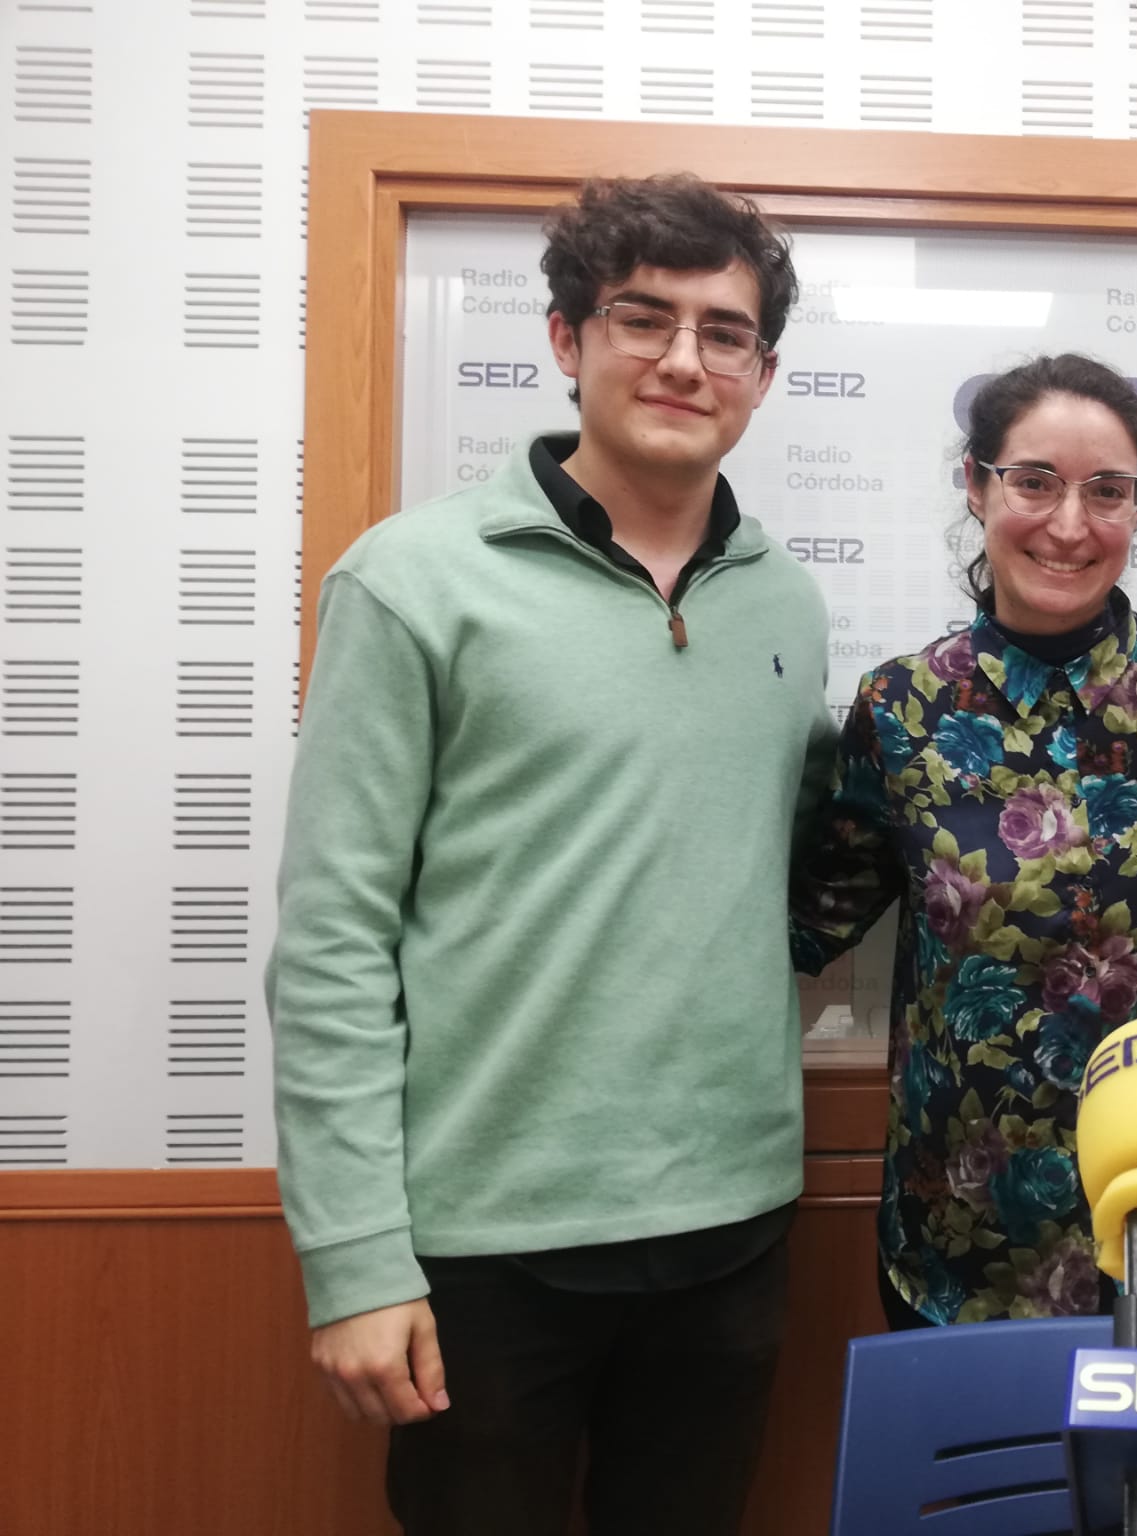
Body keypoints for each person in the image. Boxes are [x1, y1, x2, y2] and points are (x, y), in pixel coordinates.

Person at [267, 174, 834, 1536]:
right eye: (645, 319)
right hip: (484, 1251)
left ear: (761, 373)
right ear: (567, 338)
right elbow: (334, 943)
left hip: (732, 1228)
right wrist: (352, 1257)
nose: (685, 360)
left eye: (726, 333)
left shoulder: (787, 600)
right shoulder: (410, 583)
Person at [791, 353, 1137, 1327]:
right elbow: (807, 922)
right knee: (987, 1483)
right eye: (1033, 481)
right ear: (975, 485)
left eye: (1106, 491)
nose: (1069, 523)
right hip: (966, 1239)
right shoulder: (901, 705)